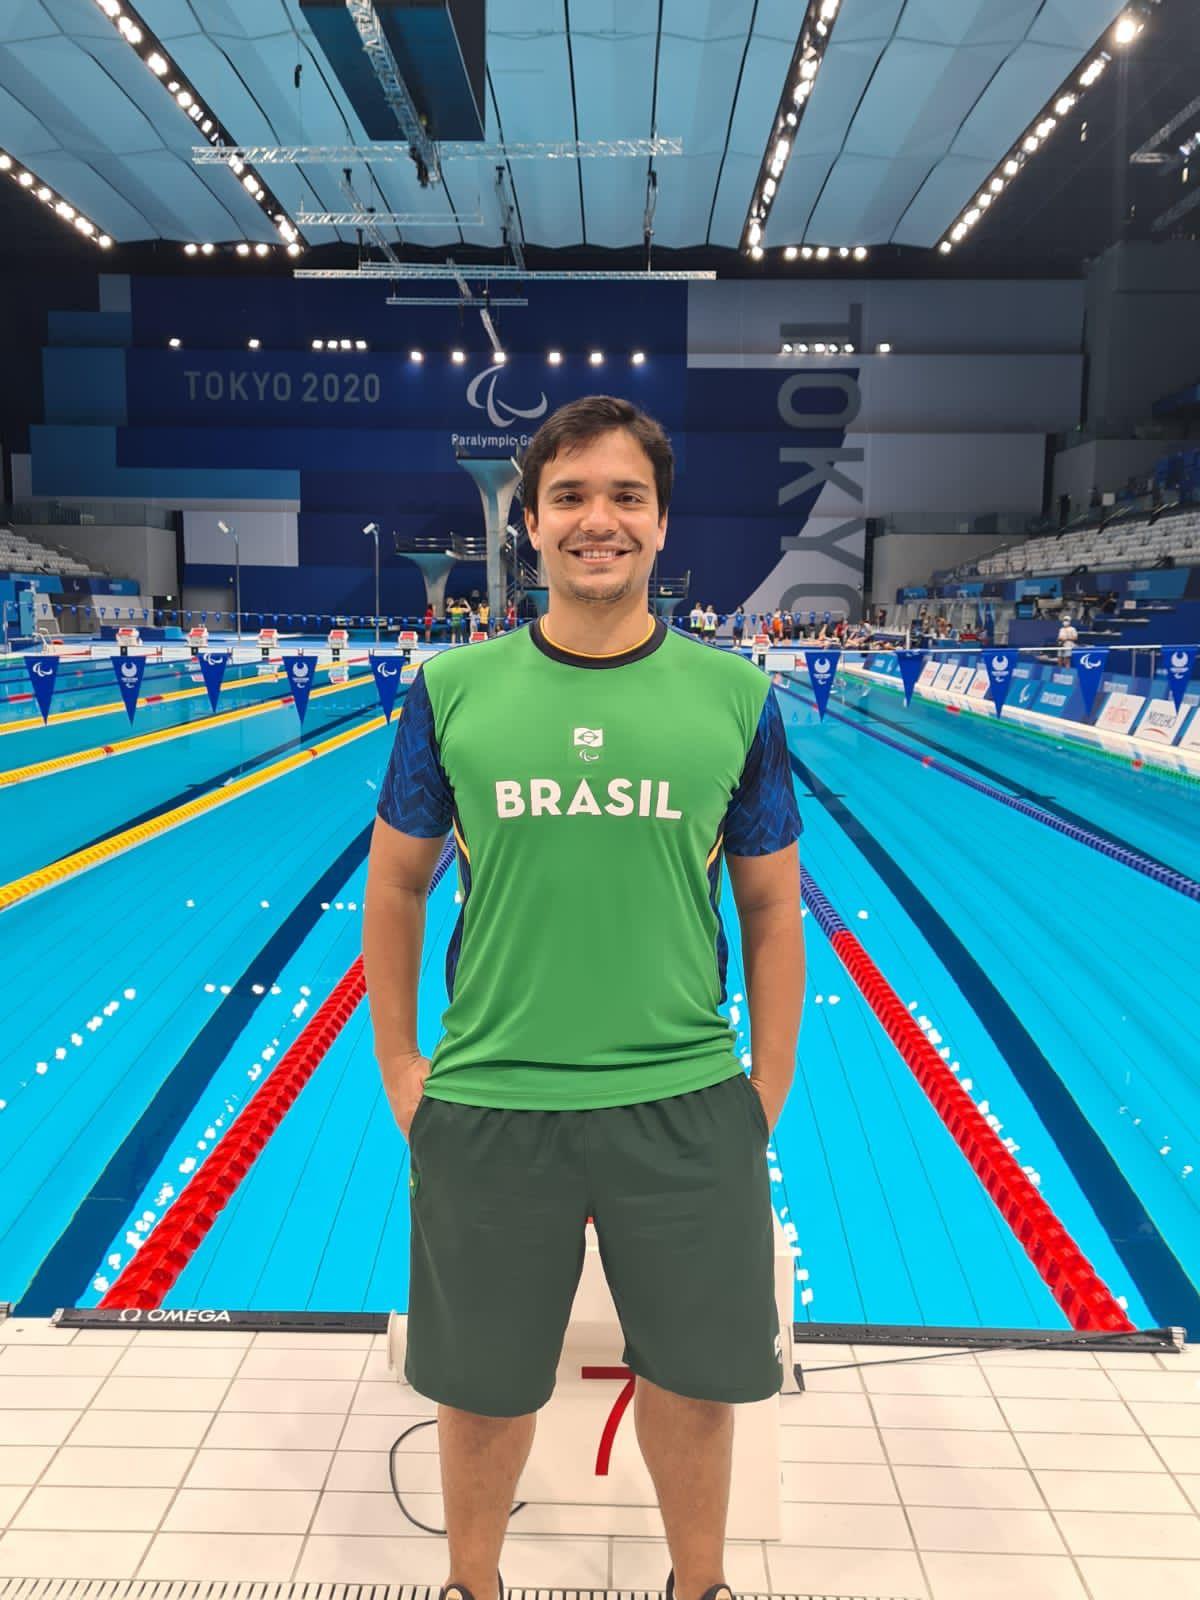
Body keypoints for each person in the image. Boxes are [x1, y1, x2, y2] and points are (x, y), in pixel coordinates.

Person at [364, 394, 804, 1600]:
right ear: (531, 520)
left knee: (698, 1380)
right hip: (493, 1098)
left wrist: (765, 1086)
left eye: (624, 497)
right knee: (483, 1383)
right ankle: (475, 1584)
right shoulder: (450, 692)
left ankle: (697, 1585)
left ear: (662, 524)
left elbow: (772, 906)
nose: (596, 520)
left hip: (683, 1099)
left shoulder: (736, 701)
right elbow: (396, 885)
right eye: (570, 496)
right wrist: (401, 1066)